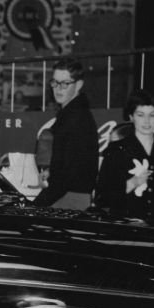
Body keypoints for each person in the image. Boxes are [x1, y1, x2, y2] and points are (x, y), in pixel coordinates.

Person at [94, 89, 154, 222]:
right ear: (131, 117)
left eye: (152, 115)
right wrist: (131, 183)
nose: (146, 121)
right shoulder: (117, 150)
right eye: (140, 115)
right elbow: (102, 198)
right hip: (125, 229)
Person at [32, 58, 100, 210]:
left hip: (69, 198)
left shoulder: (75, 119)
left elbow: (67, 175)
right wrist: (52, 171)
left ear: (79, 85)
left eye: (65, 84)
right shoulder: (73, 114)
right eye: (55, 82)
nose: (58, 89)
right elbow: (71, 163)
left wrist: (36, 206)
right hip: (69, 195)